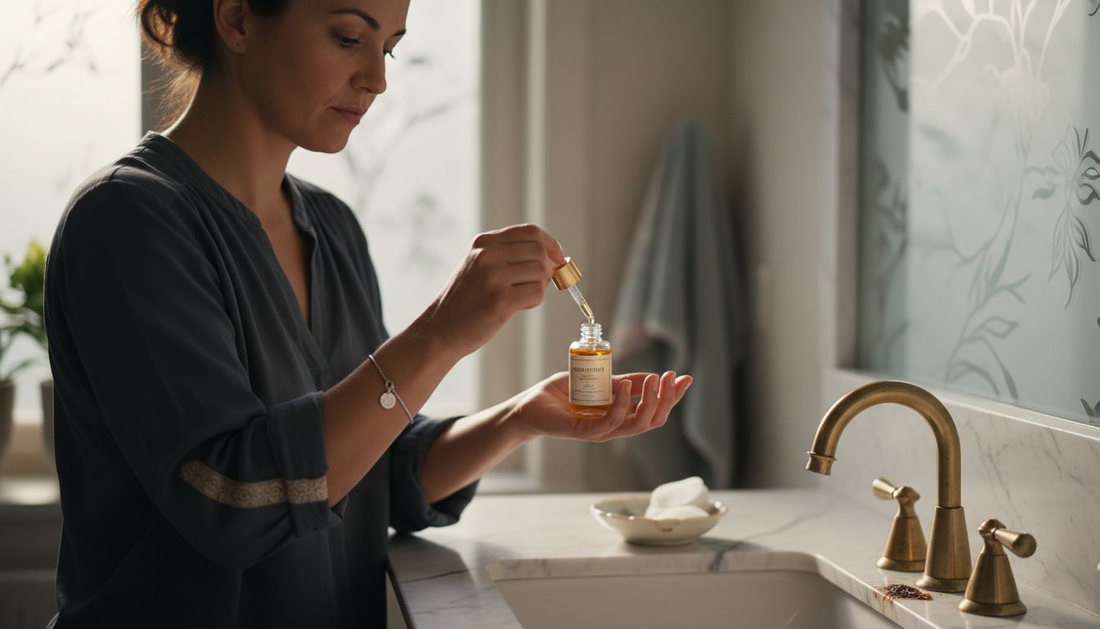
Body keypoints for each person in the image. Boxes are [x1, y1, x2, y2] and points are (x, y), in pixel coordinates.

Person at [42, 0, 693, 626]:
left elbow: (371, 464)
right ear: (238, 17)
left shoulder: (331, 227)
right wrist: (441, 331)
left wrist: (519, 418)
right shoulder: (127, 222)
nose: (378, 79)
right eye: (350, 38)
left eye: (389, 48)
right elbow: (239, 499)